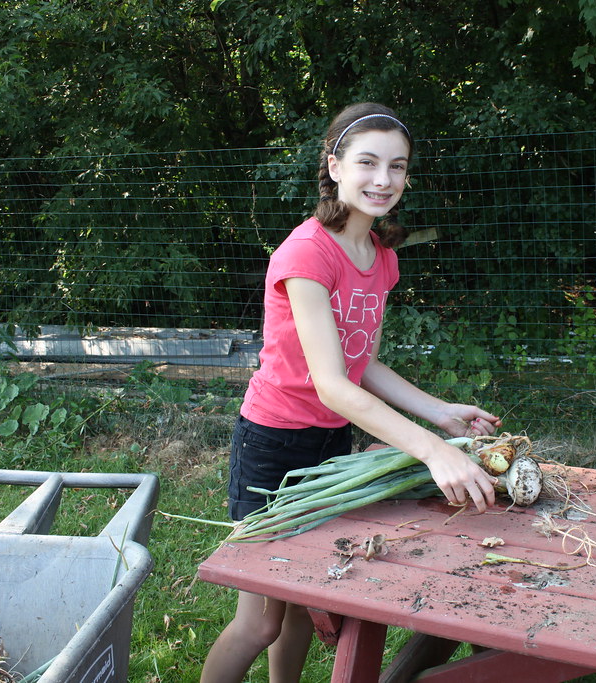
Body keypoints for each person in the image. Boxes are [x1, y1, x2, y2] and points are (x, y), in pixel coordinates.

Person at [199, 102, 502, 683]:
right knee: (261, 621)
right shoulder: (306, 253)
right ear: (334, 166)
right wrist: (432, 451)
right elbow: (331, 385)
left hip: (330, 444)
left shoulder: (380, 257)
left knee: (303, 595)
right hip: (272, 445)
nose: (383, 180)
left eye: (397, 166)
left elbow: (360, 363)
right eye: (367, 162)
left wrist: (440, 414)